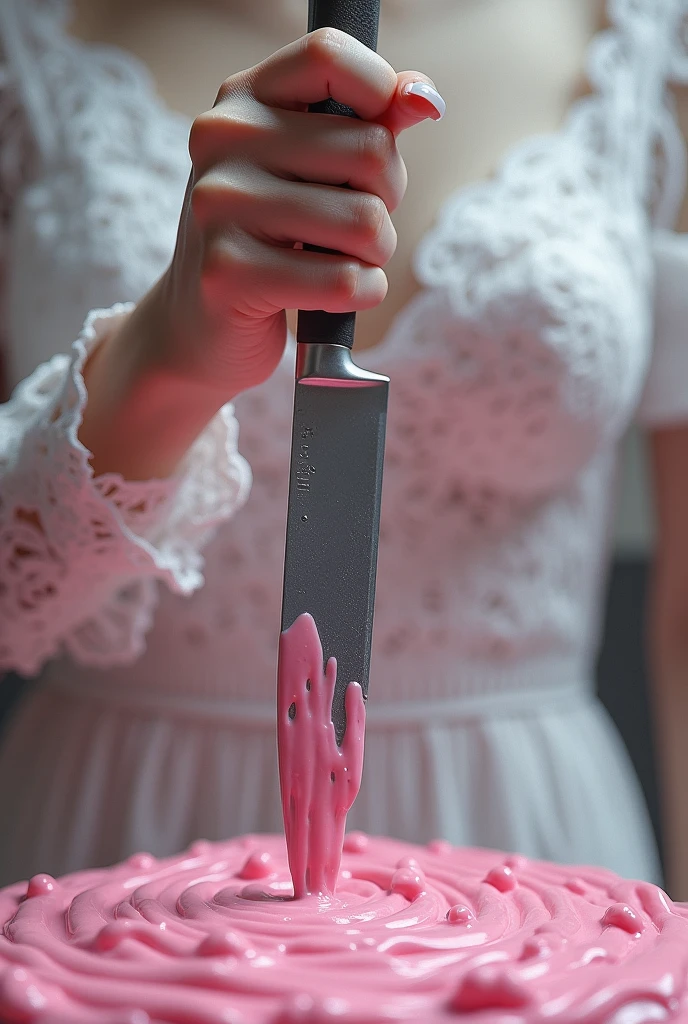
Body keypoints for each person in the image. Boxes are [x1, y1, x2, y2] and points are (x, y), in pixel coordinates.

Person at [0, 0, 686, 894]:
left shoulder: (651, 41)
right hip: (109, 842)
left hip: (532, 843)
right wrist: (162, 352)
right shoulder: (30, 37)